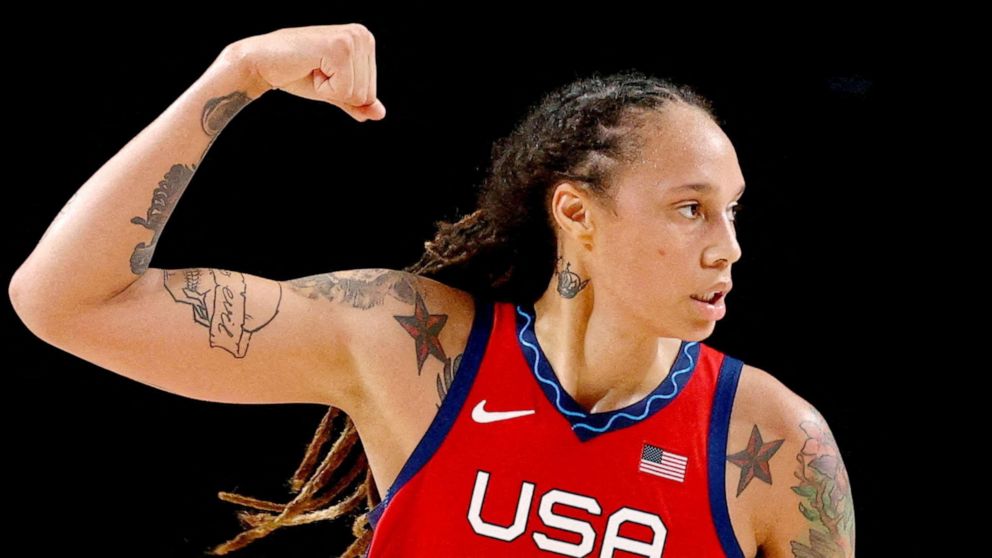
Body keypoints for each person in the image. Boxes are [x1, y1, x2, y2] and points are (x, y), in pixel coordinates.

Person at [8, 22, 855, 558]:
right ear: (576, 213)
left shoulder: (779, 447)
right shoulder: (415, 349)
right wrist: (236, 76)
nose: (728, 249)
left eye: (732, 212)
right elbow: (70, 302)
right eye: (690, 210)